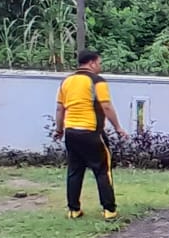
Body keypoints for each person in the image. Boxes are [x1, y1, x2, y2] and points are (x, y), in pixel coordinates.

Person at [52, 50, 127, 220]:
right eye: (99, 62)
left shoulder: (66, 81)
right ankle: (109, 210)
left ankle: (73, 210)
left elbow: (59, 108)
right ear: (92, 63)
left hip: (71, 133)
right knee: (102, 170)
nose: (100, 66)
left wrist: (59, 130)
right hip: (92, 132)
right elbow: (106, 106)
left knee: (74, 170)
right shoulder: (97, 81)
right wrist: (118, 128)